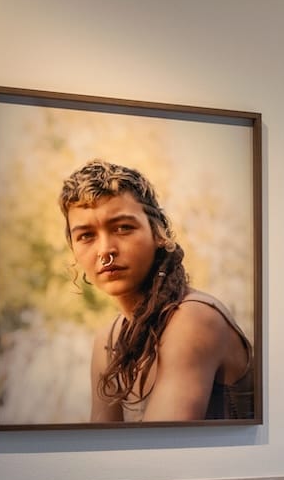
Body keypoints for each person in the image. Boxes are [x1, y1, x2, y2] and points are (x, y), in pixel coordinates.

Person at [60, 159, 254, 422]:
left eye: (123, 228)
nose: (105, 250)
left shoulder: (192, 319)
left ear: (158, 233)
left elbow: (164, 450)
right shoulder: (109, 339)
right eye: (86, 236)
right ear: (73, 250)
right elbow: (103, 449)